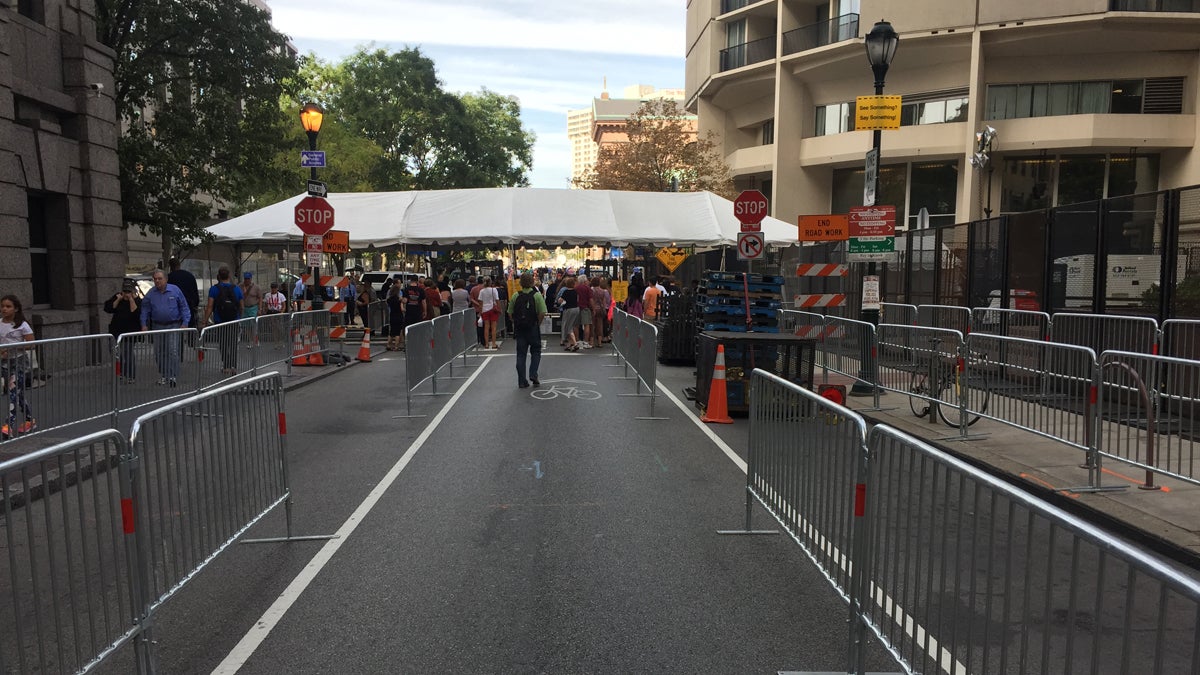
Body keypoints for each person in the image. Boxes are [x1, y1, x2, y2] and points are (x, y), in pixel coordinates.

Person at [139, 268, 191, 387]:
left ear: (166, 279)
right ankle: (164, 375)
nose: (157, 281)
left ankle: (173, 376)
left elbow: (184, 307)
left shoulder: (175, 290)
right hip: (157, 326)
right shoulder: (151, 293)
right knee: (159, 352)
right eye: (155, 279)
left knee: (172, 350)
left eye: (160, 279)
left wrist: (185, 323)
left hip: (173, 325)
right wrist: (144, 325)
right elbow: (145, 310)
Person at [0, 295, 36, 438]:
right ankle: (29, 420)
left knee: (14, 392)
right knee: (17, 393)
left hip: (19, 362)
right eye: (2, 306)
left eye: (8, 306)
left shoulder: (22, 325)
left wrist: (14, 348)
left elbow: (31, 343)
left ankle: (9, 424)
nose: (4, 309)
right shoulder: (0, 323)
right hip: (5, 362)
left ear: (16, 308)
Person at [203, 267, 244, 376]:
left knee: (223, 343)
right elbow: (241, 306)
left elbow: (210, 306)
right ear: (229, 276)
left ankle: (226, 366)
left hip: (220, 320)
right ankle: (234, 366)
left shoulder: (214, 289)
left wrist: (204, 321)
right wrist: (239, 317)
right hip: (234, 320)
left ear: (219, 276)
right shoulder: (237, 289)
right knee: (233, 343)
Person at [508, 272, 546, 388]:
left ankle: (521, 381)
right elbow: (542, 312)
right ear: (532, 282)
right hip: (533, 327)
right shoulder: (537, 295)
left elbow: (510, 312)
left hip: (520, 329)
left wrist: (515, 322)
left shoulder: (515, 295)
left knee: (521, 354)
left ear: (521, 283)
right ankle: (533, 373)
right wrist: (537, 323)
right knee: (536, 351)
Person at [105, 279, 142, 383]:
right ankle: (119, 374)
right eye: (125, 291)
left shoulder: (137, 300)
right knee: (116, 354)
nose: (126, 293)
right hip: (116, 330)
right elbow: (108, 308)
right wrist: (118, 299)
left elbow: (135, 312)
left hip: (129, 332)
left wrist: (131, 299)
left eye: (129, 291)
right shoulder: (118, 297)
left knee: (128, 354)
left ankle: (130, 375)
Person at [167, 257, 200, 328]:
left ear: (170, 267)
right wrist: (195, 305)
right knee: (189, 328)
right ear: (179, 265)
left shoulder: (169, 278)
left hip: (174, 308)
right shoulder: (189, 276)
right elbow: (195, 292)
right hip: (189, 306)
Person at [558, 276, 581, 351]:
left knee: (568, 327)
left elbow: (560, 300)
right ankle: (569, 344)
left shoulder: (566, 292)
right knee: (572, 325)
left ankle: (574, 343)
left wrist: (560, 301)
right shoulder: (575, 292)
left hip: (568, 309)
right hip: (576, 309)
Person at [477, 277, 501, 350]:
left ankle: (486, 344)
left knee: (486, 327)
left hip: (485, 310)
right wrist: (500, 309)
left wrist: (480, 312)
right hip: (493, 309)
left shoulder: (482, 291)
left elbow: (480, 303)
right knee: (493, 327)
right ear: (491, 282)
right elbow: (497, 300)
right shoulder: (494, 290)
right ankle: (493, 344)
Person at [575, 274, 594, 348]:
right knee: (586, 325)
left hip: (577, 308)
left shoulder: (576, 288)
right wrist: (593, 308)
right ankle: (586, 342)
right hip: (585, 308)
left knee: (576, 325)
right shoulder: (588, 288)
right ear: (584, 281)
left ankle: (577, 341)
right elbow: (591, 299)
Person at [591, 276, 611, 344]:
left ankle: (592, 341)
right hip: (600, 309)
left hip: (593, 309)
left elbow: (591, 300)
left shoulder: (591, 290)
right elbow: (604, 302)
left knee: (592, 326)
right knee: (600, 325)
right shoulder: (603, 291)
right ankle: (600, 341)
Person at [386, 284, 405, 351]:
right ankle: (396, 346)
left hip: (392, 315)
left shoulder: (389, 300)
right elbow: (402, 309)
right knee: (397, 332)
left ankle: (388, 344)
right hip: (399, 316)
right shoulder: (399, 300)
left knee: (391, 332)